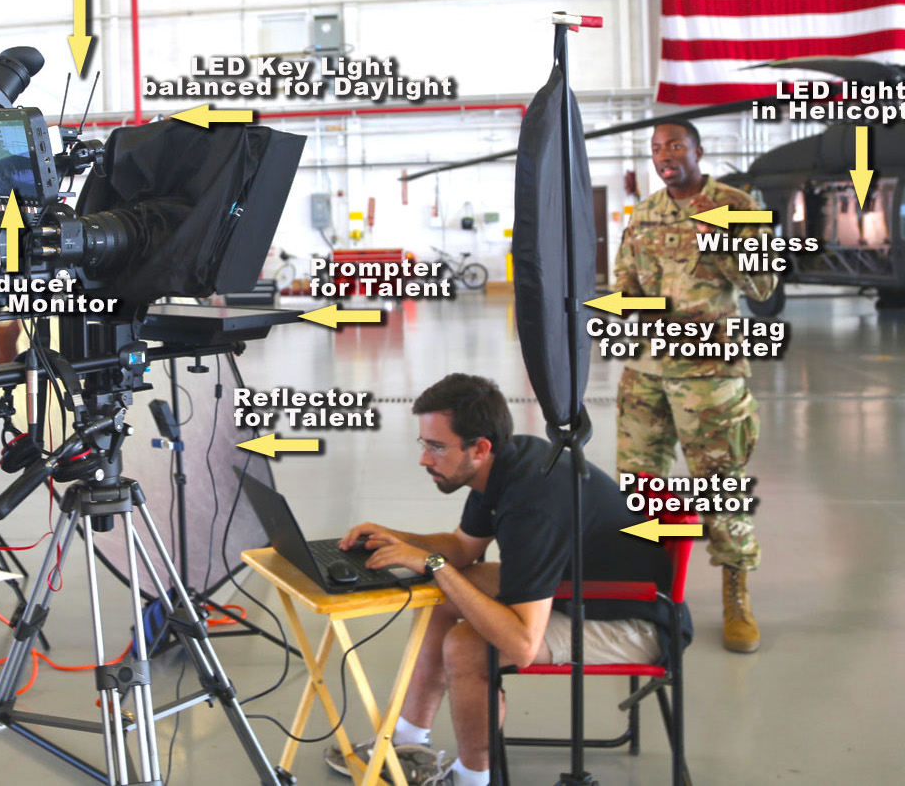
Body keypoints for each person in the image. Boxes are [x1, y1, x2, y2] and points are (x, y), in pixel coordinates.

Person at [332, 374, 689, 786]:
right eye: (424, 444)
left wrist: (431, 563)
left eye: (437, 447)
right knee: (439, 593)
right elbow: (461, 547)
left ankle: (473, 779)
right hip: (578, 586)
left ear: (480, 447)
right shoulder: (506, 463)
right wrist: (397, 539)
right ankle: (407, 744)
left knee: (466, 648)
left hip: (636, 622)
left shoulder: (533, 507)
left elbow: (521, 645)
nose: (424, 460)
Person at [612, 120, 775, 653]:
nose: (665, 155)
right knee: (640, 487)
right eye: (657, 148)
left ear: (698, 151)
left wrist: (722, 240)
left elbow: (764, 286)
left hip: (709, 378)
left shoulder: (737, 205)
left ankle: (736, 594)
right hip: (646, 373)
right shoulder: (644, 213)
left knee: (719, 485)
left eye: (676, 145)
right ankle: (649, 591)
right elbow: (625, 281)